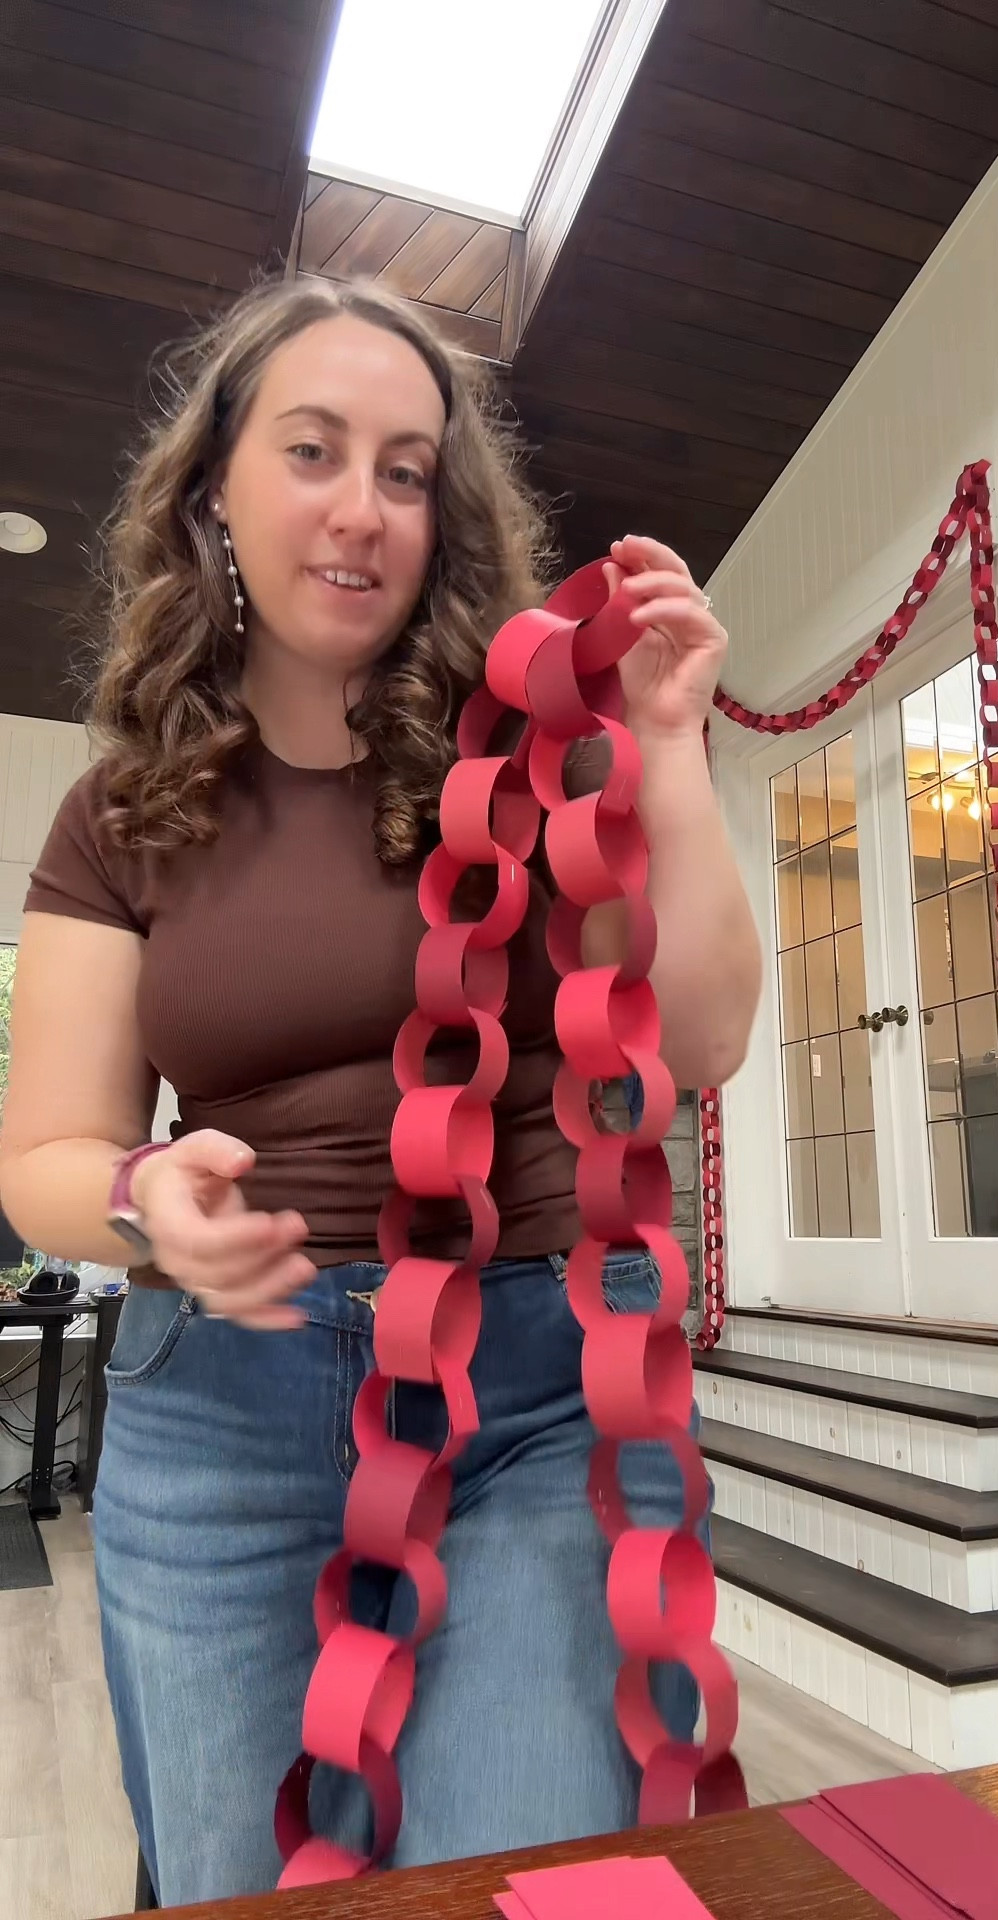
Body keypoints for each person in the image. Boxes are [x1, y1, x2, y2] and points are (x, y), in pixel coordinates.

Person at [0, 277, 761, 1906]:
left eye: (406, 472)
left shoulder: (537, 764)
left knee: (514, 1875)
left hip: (535, 1390)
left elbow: (696, 1044)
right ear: (216, 491)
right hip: (222, 1410)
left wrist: (672, 750)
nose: (360, 511)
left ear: (443, 516)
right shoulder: (122, 816)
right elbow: (46, 1154)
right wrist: (144, 1204)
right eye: (314, 452)